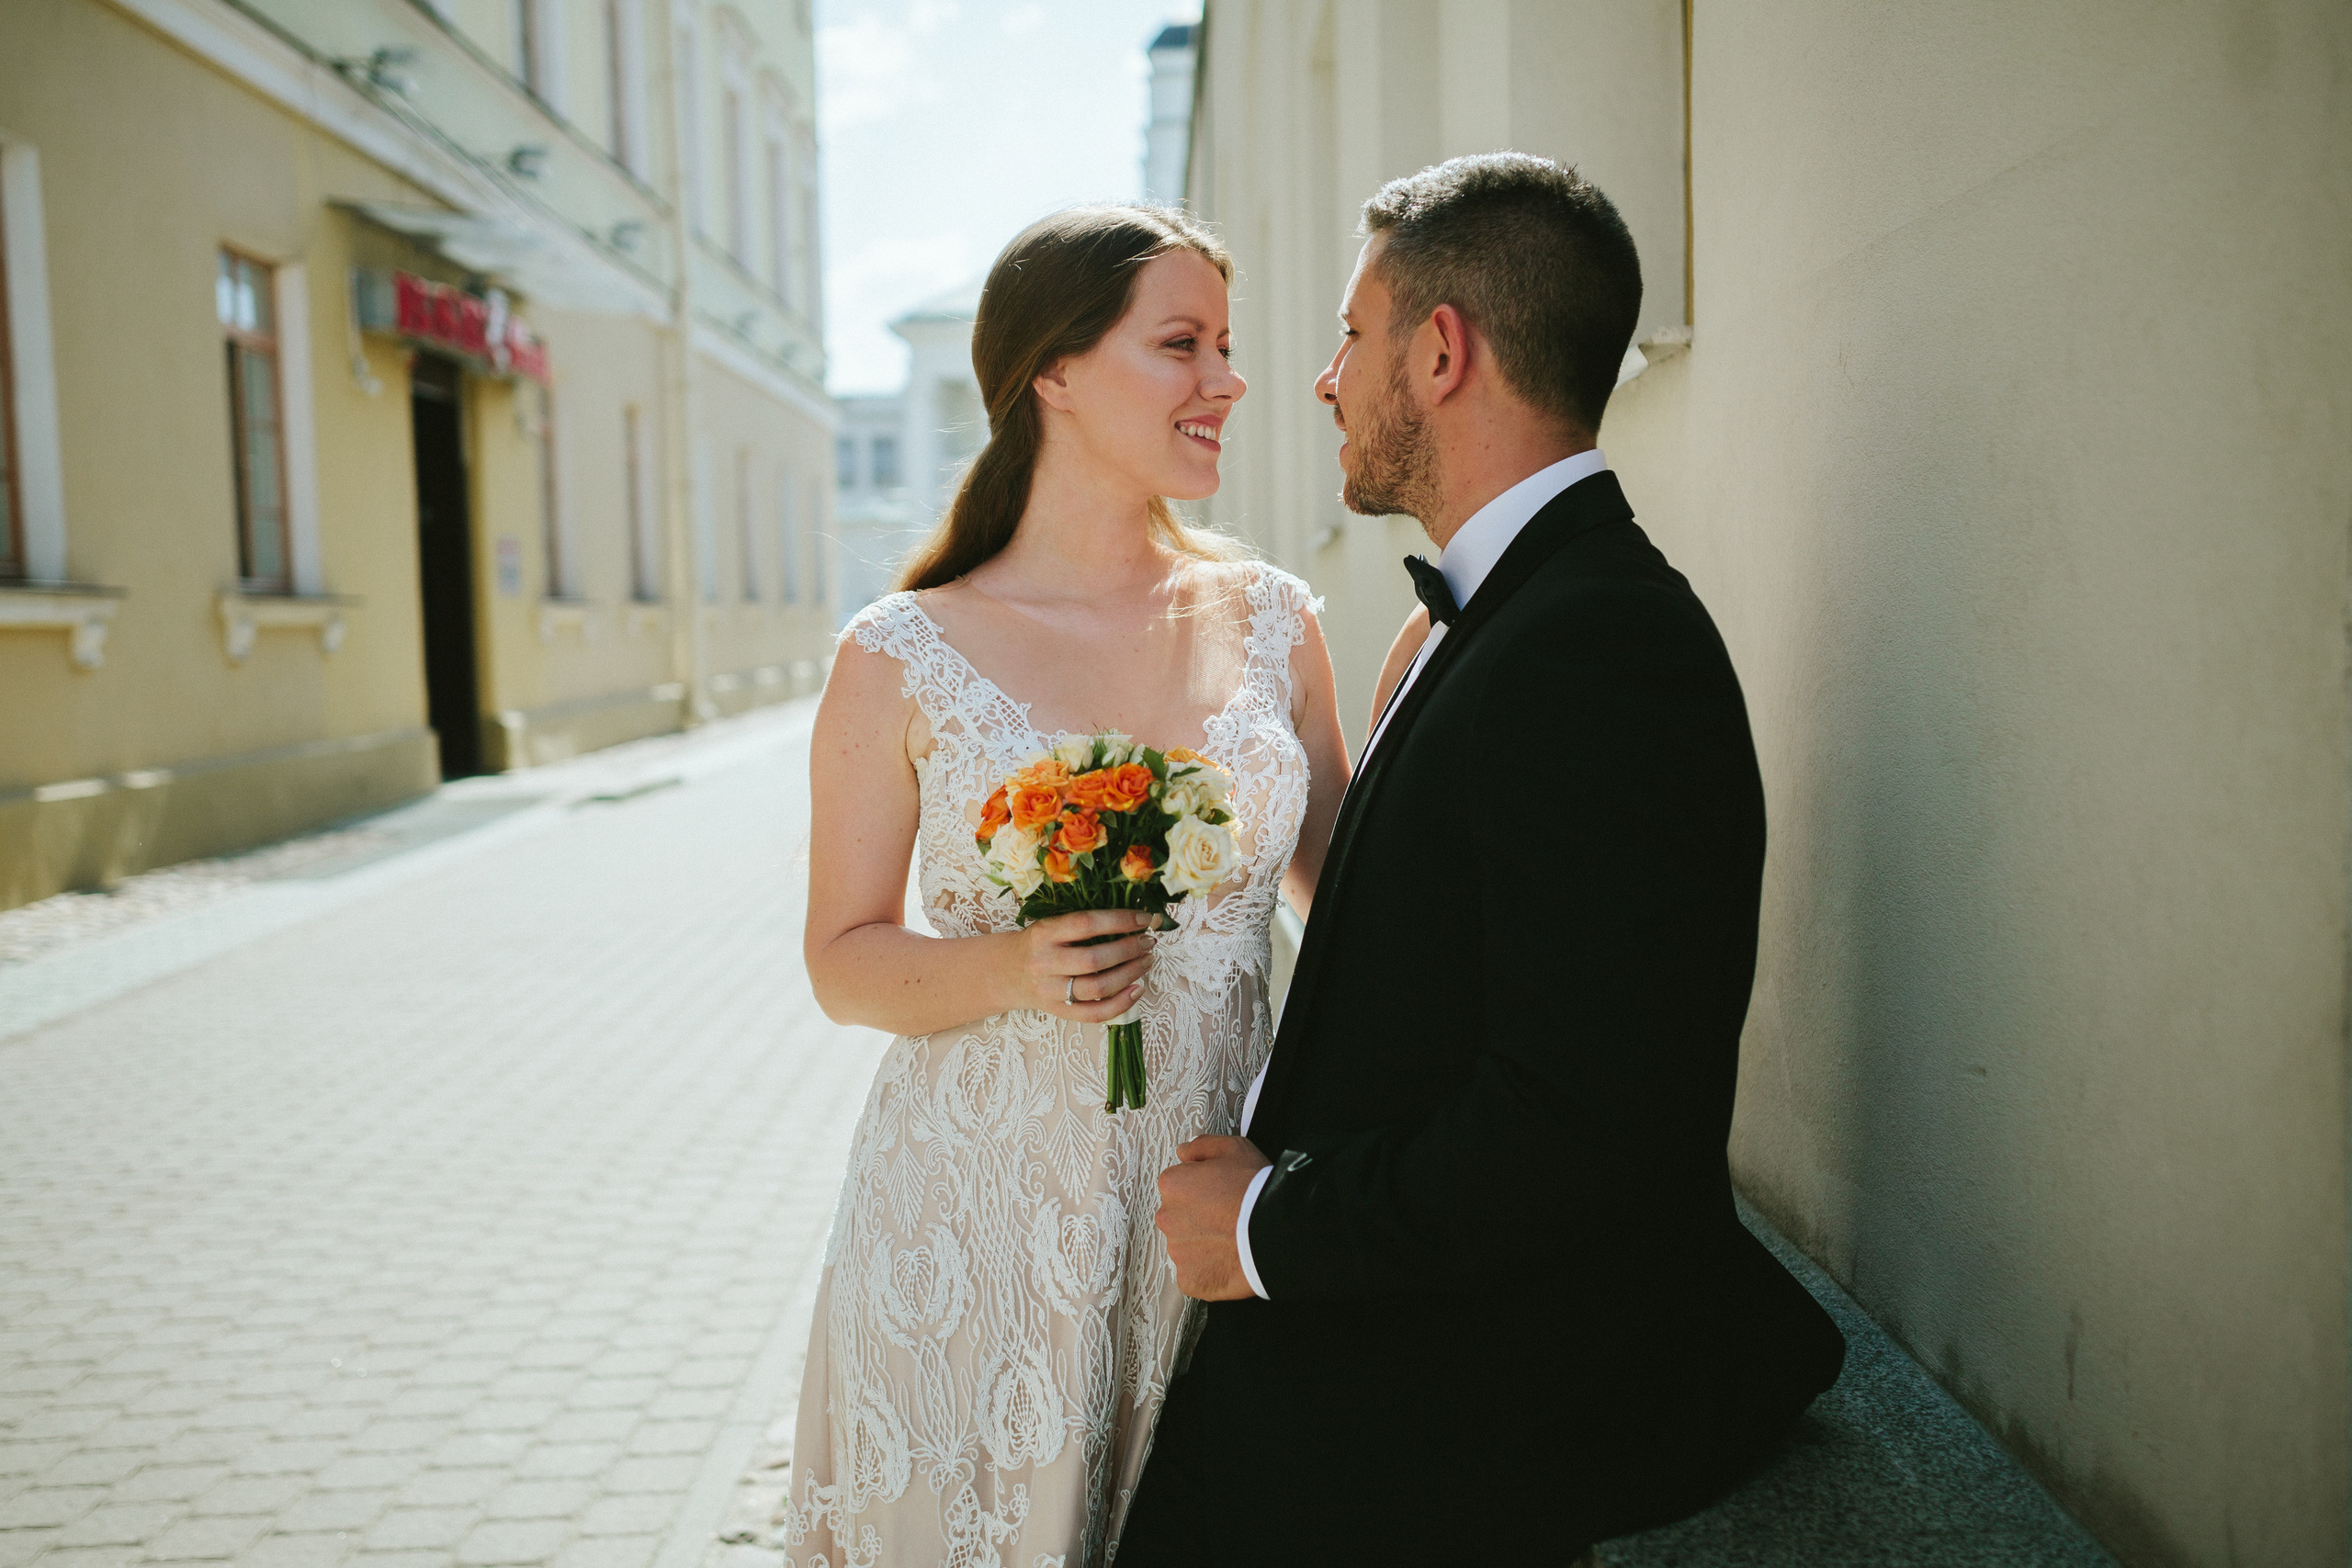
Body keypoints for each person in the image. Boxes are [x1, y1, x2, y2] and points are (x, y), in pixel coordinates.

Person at [1125, 153, 1847, 1564]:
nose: (1325, 380)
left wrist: (1272, 1230)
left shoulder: (1598, 648)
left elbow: (1584, 1124)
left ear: (1441, 351)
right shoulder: (1500, 621)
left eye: (1349, 334)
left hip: (1483, 1403)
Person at [785, 205, 1351, 1568]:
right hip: (968, 1225)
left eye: (1227, 345)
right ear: (1052, 371)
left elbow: (1360, 917)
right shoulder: (901, 653)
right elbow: (842, 959)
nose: (1227, 380)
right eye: (1182, 345)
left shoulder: (1274, 623)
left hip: (1213, 1219)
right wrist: (1010, 968)